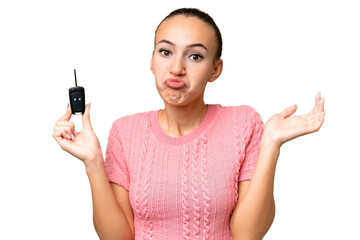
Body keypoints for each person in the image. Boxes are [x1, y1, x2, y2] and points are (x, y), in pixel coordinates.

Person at [52, 8, 325, 240]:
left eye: (195, 56)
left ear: (215, 69)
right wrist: (93, 163)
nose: (176, 68)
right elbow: (117, 236)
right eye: (165, 52)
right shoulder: (126, 131)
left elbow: (247, 234)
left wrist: (271, 145)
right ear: (151, 61)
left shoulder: (243, 122)